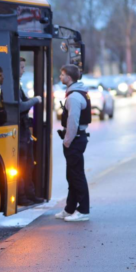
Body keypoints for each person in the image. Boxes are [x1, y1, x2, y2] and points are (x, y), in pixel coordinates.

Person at [55, 64, 91, 222]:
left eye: (62, 75)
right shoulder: (76, 93)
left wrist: (67, 141)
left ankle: (83, 210)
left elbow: (73, 122)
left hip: (75, 140)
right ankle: (70, 209)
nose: (60, 77)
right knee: (72, 175)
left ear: (69, 78)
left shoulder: (74, 97)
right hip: (76, 139)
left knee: (76, 176)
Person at [17, 57, 43, 206]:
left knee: (28, 165)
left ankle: (30, 194)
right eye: (21, 67)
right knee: (21, 166)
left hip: (25, 133)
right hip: (19, 135)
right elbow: (21, 106)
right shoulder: (12, 86)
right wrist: (36, 100)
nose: (23, 70)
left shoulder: (17, 85)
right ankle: (22, 196)